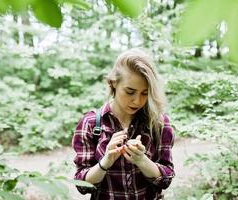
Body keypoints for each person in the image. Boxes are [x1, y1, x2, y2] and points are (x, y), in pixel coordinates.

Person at [72, 48, 175, 200]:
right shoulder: (91, 124)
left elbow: (166, 179)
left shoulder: (159, 123)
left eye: (145, 93)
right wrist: (105, 161)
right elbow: (82, 184)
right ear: (113, 83)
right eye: (130, 91)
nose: (137, 101)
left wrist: (142, 160)